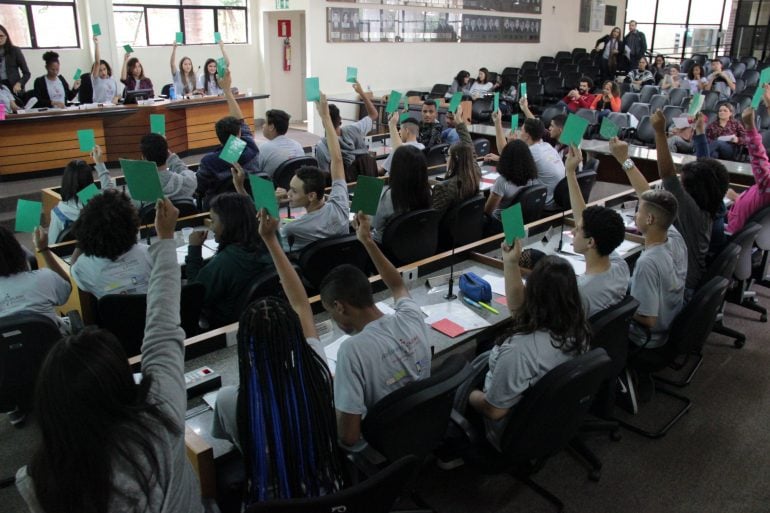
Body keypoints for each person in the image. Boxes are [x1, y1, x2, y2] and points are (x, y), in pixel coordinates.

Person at [16, 199, 207, 513]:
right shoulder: (163, 418)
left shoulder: (37, 480)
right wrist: (166, 237)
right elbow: (161, 327)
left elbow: (73, 278)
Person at [211, 207, 344, 502]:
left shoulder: (231, 400)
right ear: (294, 336)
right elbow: (301, 305)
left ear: (246, 348)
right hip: (326, 495)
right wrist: (271, 240)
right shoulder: (317, 370)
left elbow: (230, 443)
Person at [324, 212, 431, 446]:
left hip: (386, 440)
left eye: (330, 313)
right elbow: (397, 284)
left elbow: (349, 437)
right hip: (422, 423)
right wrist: (367, 241)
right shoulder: (411, 314)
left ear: (339, 307)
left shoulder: (351, 351)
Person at [469, 244, 589, 450]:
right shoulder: (578, 327)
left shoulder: (519, 350)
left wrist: (467, 392)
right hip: (546, 419)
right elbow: (520, 312)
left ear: (532, 296)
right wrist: (511, 262)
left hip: (508, 431)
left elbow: (494, 411)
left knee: (455, 377)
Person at [608, 137, 686, 348]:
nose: (635, 215)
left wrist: (616, 301)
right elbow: (647, 195)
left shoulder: (647, 263)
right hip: (670, 317)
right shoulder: (675, 236)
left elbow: (647, 319)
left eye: (638, 211)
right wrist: (624, 160)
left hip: (646, 338)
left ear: (650, 219)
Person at [650, 109, 728, 294]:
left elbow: (667, 174)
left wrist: (660, 133)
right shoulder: (714, 204)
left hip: (681, 289)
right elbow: (706, 168)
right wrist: (700, 131)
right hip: (690, 281)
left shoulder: (692, 212)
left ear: (693, 190)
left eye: (683, 183)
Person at [186, 191, 271, 328]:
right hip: (257, 316)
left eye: (213, 221)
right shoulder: (268, 244)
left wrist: (194, 249)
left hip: (223, 323)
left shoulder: (225, 262)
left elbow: (195, 294)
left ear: (229, 223)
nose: (211, 227)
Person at [564, 145, 629, 316]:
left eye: (577, 230)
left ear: (591, 242)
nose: (572, 232)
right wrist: (570, 173)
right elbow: (583, 217)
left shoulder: (579, 293)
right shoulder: (620, 267)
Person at [280, 92, 350, 252]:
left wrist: (272, 204)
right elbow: (337, 160)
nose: (288, 193)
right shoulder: (340, 205)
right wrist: (325, 117)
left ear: (311, 195)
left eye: (294, 191)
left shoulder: (293, 229)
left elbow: (268, 240)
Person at [70, 189, 152, 299]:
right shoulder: (151, 254)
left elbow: (73, 270)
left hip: (115, 316)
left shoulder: (84, 268)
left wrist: (83, 240)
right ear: (132, 223)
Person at [196, 70, 260, 208]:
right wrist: (227, 90)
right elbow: (240, 120)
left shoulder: (209, 162)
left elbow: (199, 188)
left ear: (219, 138)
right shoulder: (251, 148)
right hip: (249, 202)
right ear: (239, 134)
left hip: (220, 208)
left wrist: (226, 90)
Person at [0, 226, 71, 334]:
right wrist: (44, 250)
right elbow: (66, 288)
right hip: (53, 348)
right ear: (16, 249)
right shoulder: (45, 278)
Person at [94, 133, 197, 204]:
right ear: (167, 154)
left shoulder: (137, 193)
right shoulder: (188, 182)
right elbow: (183, 169)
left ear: (144, 158)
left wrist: (100, 164)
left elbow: (110, 197)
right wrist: (166, 150)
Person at [725, 86, 770, 234]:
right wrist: (737, 199)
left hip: (733, 234)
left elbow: (759, 159)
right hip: (736, 215)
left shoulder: (767, 184)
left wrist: (750, 128)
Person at [484, 111, 540, 221]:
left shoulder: (502, 181)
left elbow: (487, 211)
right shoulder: (532, 178)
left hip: (499, 223)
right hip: (515, 220)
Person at [372, 143, 431, 242]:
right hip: (417, 242)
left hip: (387, 248)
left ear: (396, 168)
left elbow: (376, 224)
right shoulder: (427, 191)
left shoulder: (389, 197)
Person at [315, 79, 378, 174]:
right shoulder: (355, 129)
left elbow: (325, 174)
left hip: (344, 186)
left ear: (324, 123)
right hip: (366, 182)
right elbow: (374, 115)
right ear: (340, 120)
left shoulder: (322, 146)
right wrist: (361, 93)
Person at [519, 117, 566, 209]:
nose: (519, 134)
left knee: (507, 196)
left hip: (546, 203)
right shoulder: (547, 146)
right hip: (559, 199)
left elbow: (508, 164)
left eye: (521, 131)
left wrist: (510, 141)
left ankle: (497, 221)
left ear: (527, 135)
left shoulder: (531, 152)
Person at [431, 130, 480, 214]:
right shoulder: (474, 176)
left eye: (448, 155)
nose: (446, 159)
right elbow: (472, 154)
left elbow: (434, 217)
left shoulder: (443, 188)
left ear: (456, 158)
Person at [48, 159, 96, 243]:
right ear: (90, 180)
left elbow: (52, 245)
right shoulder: (103, 207)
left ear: (66, 181)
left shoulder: (58, 214)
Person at [257, 109, 305, 179]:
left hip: (272, 189)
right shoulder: (298, 145)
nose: (263, 126)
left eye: (265, 123)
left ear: (271, 127)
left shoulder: (264, 148)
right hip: (295, 188)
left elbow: (255, 173)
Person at [0, 24, 31, 99]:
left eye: (1, 36)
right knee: (2, 110)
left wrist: (19, 83)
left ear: (6, 36)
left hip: (14, 87)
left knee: (17, 109)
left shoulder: (15, 51)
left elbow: (27, 73)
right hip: (1, 90)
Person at [90, 36, 120, 104]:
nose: (103, 72)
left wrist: (116, 97)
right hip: (100, 107)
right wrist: (96, 44)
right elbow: (97, 62)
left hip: (112, 107)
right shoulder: (96, 79)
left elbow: (118, 94)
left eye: (104, 69)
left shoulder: (112, 79)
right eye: (100, 70)